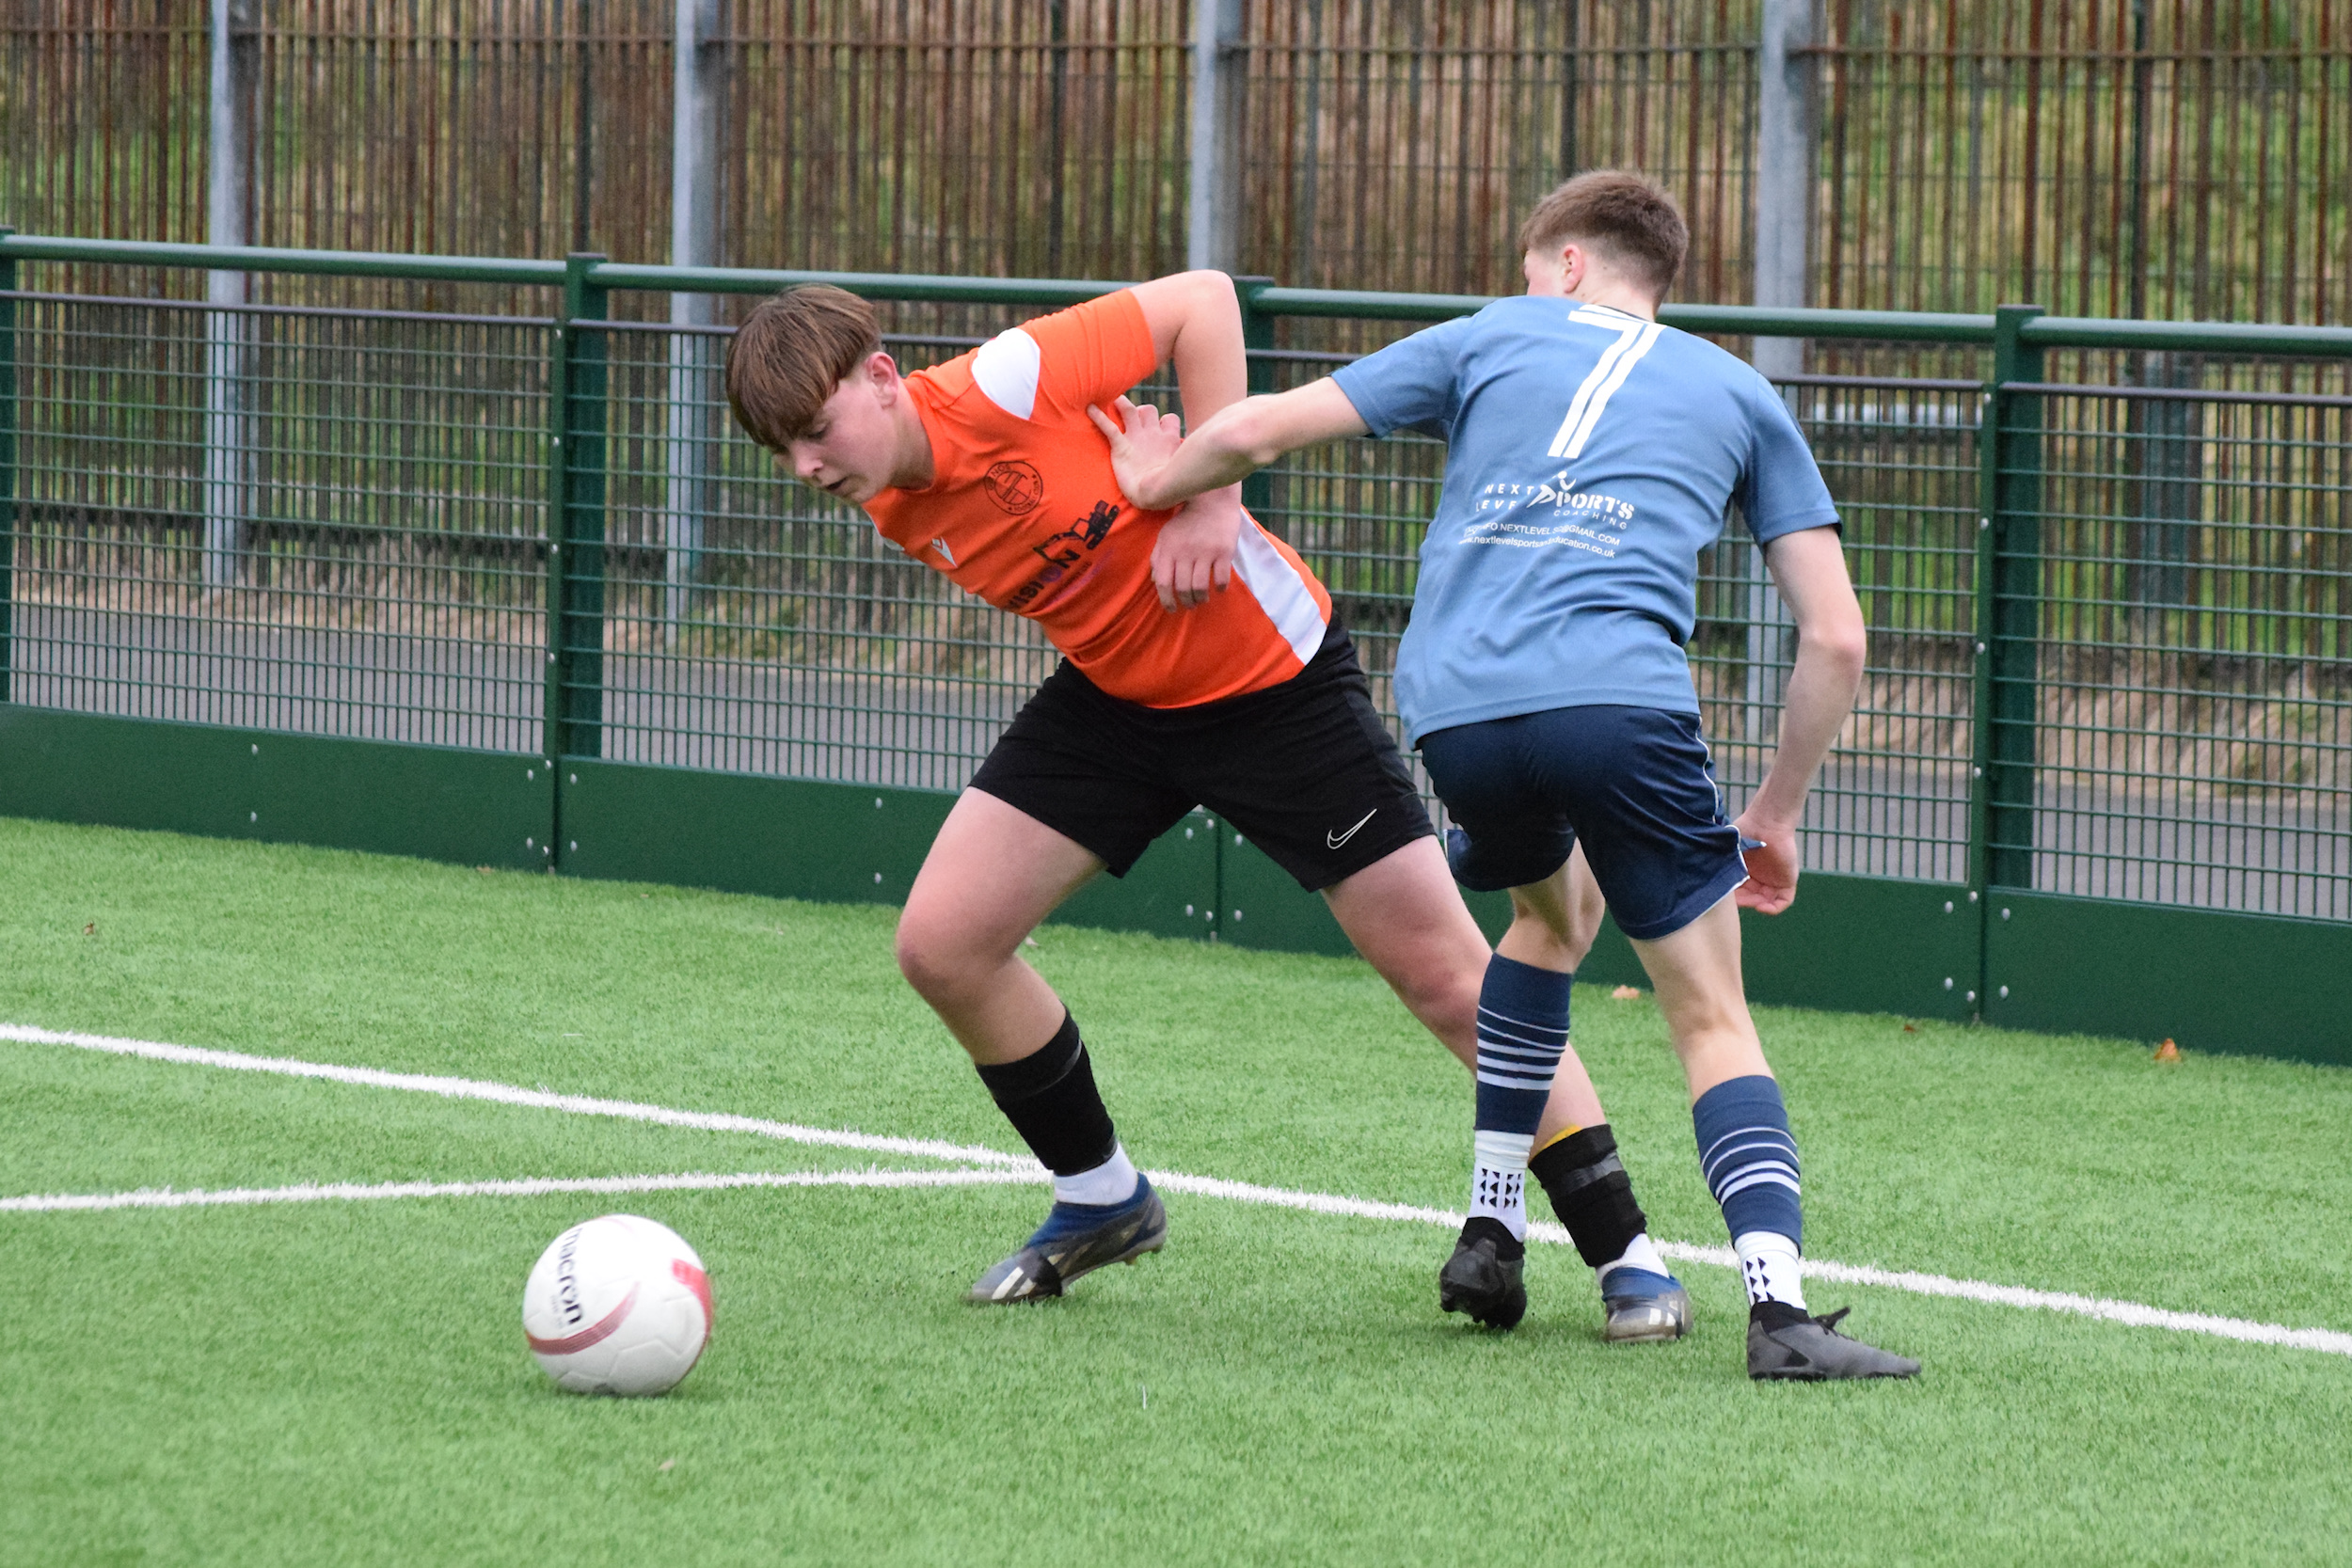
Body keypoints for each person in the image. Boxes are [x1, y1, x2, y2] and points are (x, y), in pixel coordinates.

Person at [723, 272, 1688, 1338]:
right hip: (1114, 700)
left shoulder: (1007, 381)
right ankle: (1101, 1196)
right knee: (943, 946)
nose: (806, 466)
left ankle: (1627, 1254)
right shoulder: (884, 493)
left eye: (816, 431)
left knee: (1447, 977)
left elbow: (1206, 303)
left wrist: (1209, 497)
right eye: (783, 449)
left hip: (1274, 687)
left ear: (881, 376)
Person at [1089, 172, 1920, 1380]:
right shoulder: (1740, 392)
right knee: (1708, 1013)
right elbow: (1836, 638)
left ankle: (1491, 1227)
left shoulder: (1487, 336)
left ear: (1567, 264)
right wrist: (1774, 811)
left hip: (1454, 710)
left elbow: (1255, 430)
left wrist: (1150, 481)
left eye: (1529, 268)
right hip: (1622, 706)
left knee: (1549, 918)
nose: (1521, 287)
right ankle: (1780, 1313)